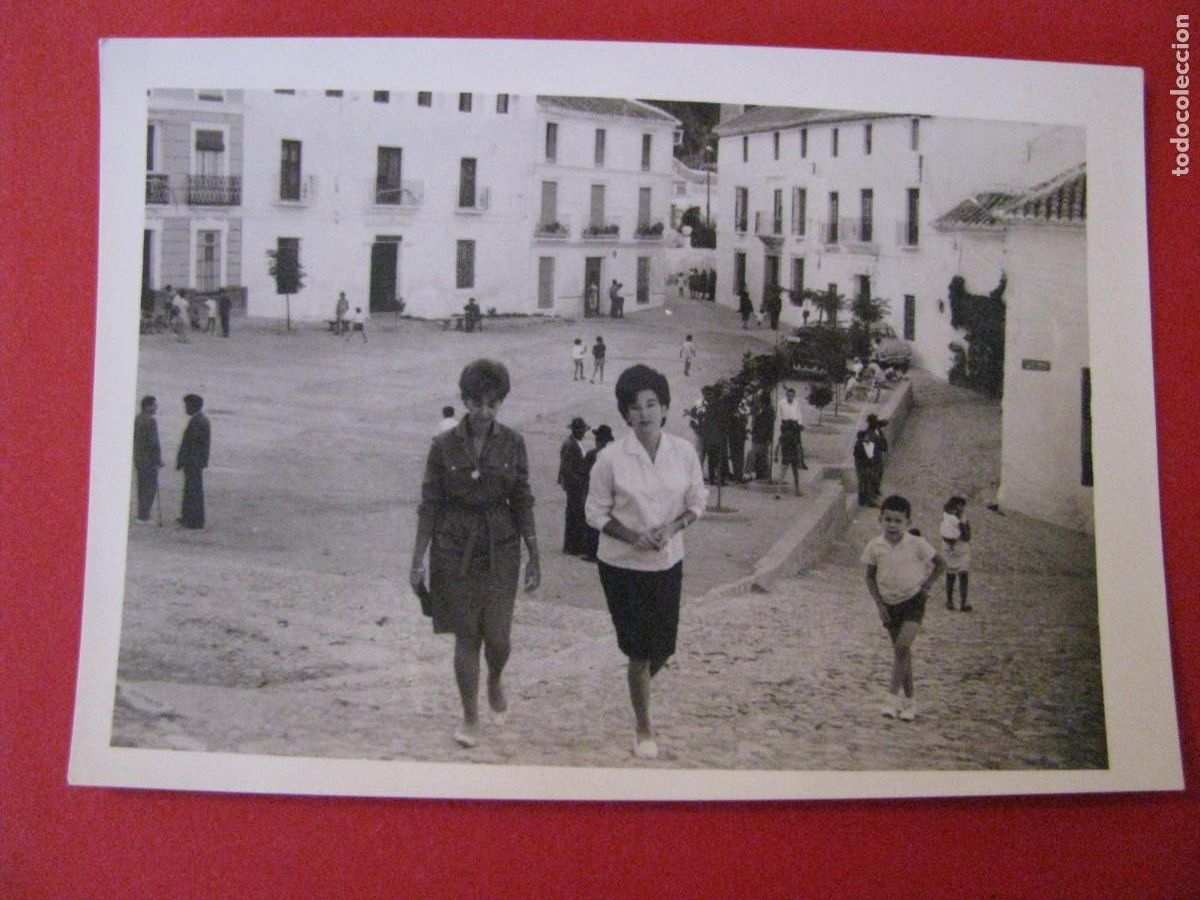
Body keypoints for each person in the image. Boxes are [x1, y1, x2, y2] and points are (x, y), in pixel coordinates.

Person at [410, 359, 540, 749]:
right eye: (478, 402)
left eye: (493, 403)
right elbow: (429, 503)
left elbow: (522, 499)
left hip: (500, 548)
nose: (485, 411)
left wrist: (535, 554)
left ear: (501, 403)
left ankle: (495, 679)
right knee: (466, 637)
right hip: (454, 548)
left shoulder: (513, 443)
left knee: (498, 639)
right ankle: (469, 716)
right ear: (465, 400)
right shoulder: (443, 445)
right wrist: (418, 558)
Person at [585, 364, 707, 760]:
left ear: (666, 407)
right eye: (634, 407)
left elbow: (696, 503)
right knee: (639, 651)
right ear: (625, 414)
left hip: (668, 561)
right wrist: (634, 536)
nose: (644, 413)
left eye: (652, 404)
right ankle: (644, 728)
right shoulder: (610, 459)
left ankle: (637, 684)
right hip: (621, 566)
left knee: (663, 649)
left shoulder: (684, 452)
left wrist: (671, 529)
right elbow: (595, 512)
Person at [862, 494, 945, 720]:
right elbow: (869, 577)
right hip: (889, 605)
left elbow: (940, 564)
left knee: (902, 647)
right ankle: (910, 703)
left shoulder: (917, 543)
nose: (892, 525)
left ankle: (890, 699)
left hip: (913, 602)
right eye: (888, 519)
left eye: (898, 521)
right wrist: (879, 604)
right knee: (902, 652)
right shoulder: (875, 546)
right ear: (880, 519)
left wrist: (927, 586)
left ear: (908, 523)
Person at [558, 416, 592, 557]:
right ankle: (572, 546)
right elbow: (567, 469)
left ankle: (573, 545)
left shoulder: (573, 443)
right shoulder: (571, 445)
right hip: (574, 486)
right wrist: (579, 481)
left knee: (575, 514)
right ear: (577, 431)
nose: (584, 433)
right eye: (582, 431)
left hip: (575, 485)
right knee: (575, 514)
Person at [176, 394, 210, 529]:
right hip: (195, 462)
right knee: (192, 490)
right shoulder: (200, 420)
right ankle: (189, 517)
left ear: (192, 406)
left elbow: (190, 443)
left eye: (187, 405)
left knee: (193, 491)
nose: (185, 408)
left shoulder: (197, 422)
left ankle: (193, 520)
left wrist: (182, 459)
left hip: (193, 462)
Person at [581, 424, 614, 561]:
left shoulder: (591, 455)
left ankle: (592, 553)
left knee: (591, 521)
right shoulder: (612, 455)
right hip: (607, 493)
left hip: (592, 491)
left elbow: (584, 474)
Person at [132, 395, 163, 524]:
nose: (156, 408)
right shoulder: (151, 421)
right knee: (149, 488)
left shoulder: (138, 419)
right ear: (148, 406)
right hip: (149, 460)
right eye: (154, 405)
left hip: (139, 459)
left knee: (142, 487)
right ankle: (144, 516)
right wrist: (158, 460)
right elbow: (153, 443)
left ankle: (141, 514)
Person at [941, 496, 973, 611]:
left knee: (963, 574)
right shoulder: (947, 518)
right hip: (950, 550)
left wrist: (962, 525)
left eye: (962, 506)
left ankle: (963, 602)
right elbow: (944, 534)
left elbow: (967, 536)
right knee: (950, 575)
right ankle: (949, 601)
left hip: (963, 548)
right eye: (959, 505)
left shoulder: (964, 519)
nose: (961, 508)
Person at [776, 386, 807, 496]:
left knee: (794, 468)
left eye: (792, 396)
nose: (790, 397)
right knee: (784, 467)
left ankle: (797, 489)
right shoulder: (781, 403)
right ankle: (778, 491)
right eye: (788, 395)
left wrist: (798, 425)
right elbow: (779, 416)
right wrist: (782, 426)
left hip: (794, 428)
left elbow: (799, 416)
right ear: (786, 395)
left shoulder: (796, 404)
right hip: (786, 427)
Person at [747, 394, 774, 481]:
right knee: (762, 455)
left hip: (761, 436)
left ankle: (748, 472)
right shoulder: (764, 409)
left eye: (760, 401)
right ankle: (762, 473)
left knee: (752, 454)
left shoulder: (768, 411)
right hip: (761, 436)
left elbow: (767, 425)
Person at [864, 414, 889, 504]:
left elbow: (886, 422)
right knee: (872, 477)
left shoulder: (877, 429)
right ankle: (871, 499)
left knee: (879, 474)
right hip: (873, 459)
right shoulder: (868, 433)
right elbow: (867, 447)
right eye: (873, 421)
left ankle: (876, 491)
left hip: (878, 456)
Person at [852, 429, 878, 506]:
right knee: (866, 484)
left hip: (863, 467)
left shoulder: (860, 445)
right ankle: (868, 501)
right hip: (863, 468)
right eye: (866, 437)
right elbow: (868, 457)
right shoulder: (861, 446)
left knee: (864, 484)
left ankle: (864, 500)